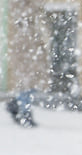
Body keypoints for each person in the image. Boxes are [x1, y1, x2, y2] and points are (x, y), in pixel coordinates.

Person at [5, 0, 50, 128]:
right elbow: (27, 12)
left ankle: (18, 105)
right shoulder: (22, 11)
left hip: (29, 45)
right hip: (25, 45)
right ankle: (24, 111)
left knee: (30, 81)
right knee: (27, 82)